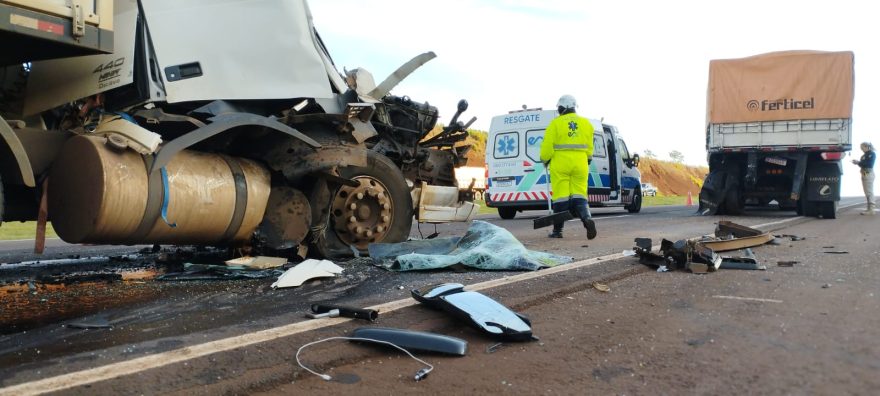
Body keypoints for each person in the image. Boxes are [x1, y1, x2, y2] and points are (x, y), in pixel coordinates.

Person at [540, 94, 597, 239]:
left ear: (562, 107)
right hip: (581, 163)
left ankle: (558, 231)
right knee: (579, 194)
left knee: (561, 197)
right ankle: (587, 219)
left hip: (561, 163)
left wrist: (544, 159)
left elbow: (547, 146)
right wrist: (588, 159)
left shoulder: (555, 123)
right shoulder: (587, 124)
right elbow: (590, 146)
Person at [852, 141, 876, 215]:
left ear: (867, 147)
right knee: (867, 192)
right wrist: (858, 163)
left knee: (869, 191)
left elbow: (869, 164)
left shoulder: (872, 154)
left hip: (868, 173)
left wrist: (858, 162)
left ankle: (871, 209)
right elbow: (862, 164)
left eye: (862, 147)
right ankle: (869, 208)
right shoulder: (863, 156)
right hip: (864, 173)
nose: (861, 149)